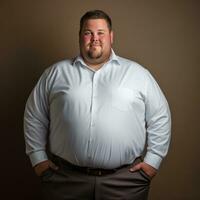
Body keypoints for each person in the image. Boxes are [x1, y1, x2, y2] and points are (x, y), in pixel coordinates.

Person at [24, 10, 171, 200]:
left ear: (111, 36)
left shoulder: (138, 74)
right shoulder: (55, 74)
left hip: (125, 182)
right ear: (80, 36)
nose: (95, 38)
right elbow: (34, 116)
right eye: (88, 33)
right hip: (64, 180)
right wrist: (38, 159)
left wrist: (153, 162)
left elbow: (160, 117)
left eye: (100, 32)